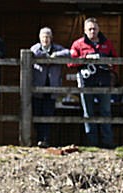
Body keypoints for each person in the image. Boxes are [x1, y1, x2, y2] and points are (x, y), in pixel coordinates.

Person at [69, 18, 117, 148]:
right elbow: (70, 62)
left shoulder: (107, 43)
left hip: (104, 82)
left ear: (98, 29)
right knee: (88, 113)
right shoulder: (78, 44)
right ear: (85, 30)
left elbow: (116, 61)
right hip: (86, 82)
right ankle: (92, 143)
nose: (92, 31)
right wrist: (85, 59)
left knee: (105, 112)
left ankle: (107, 143)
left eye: (94, 28)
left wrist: (107, 63)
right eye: (89, 29)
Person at [30, 27, 70, 148]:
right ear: (40, 38)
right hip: (37, 88)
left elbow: (68, 53)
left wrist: (55, 56)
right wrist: (47, 57)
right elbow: (33, 54)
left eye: (47, 37)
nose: (45, 39)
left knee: (48, 114)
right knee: (37, 114)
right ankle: (39, 138)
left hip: (52, 88)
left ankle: (45, 139)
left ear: (51, 38)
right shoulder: (35, 48)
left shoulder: (57, 48)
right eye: (43, 37)